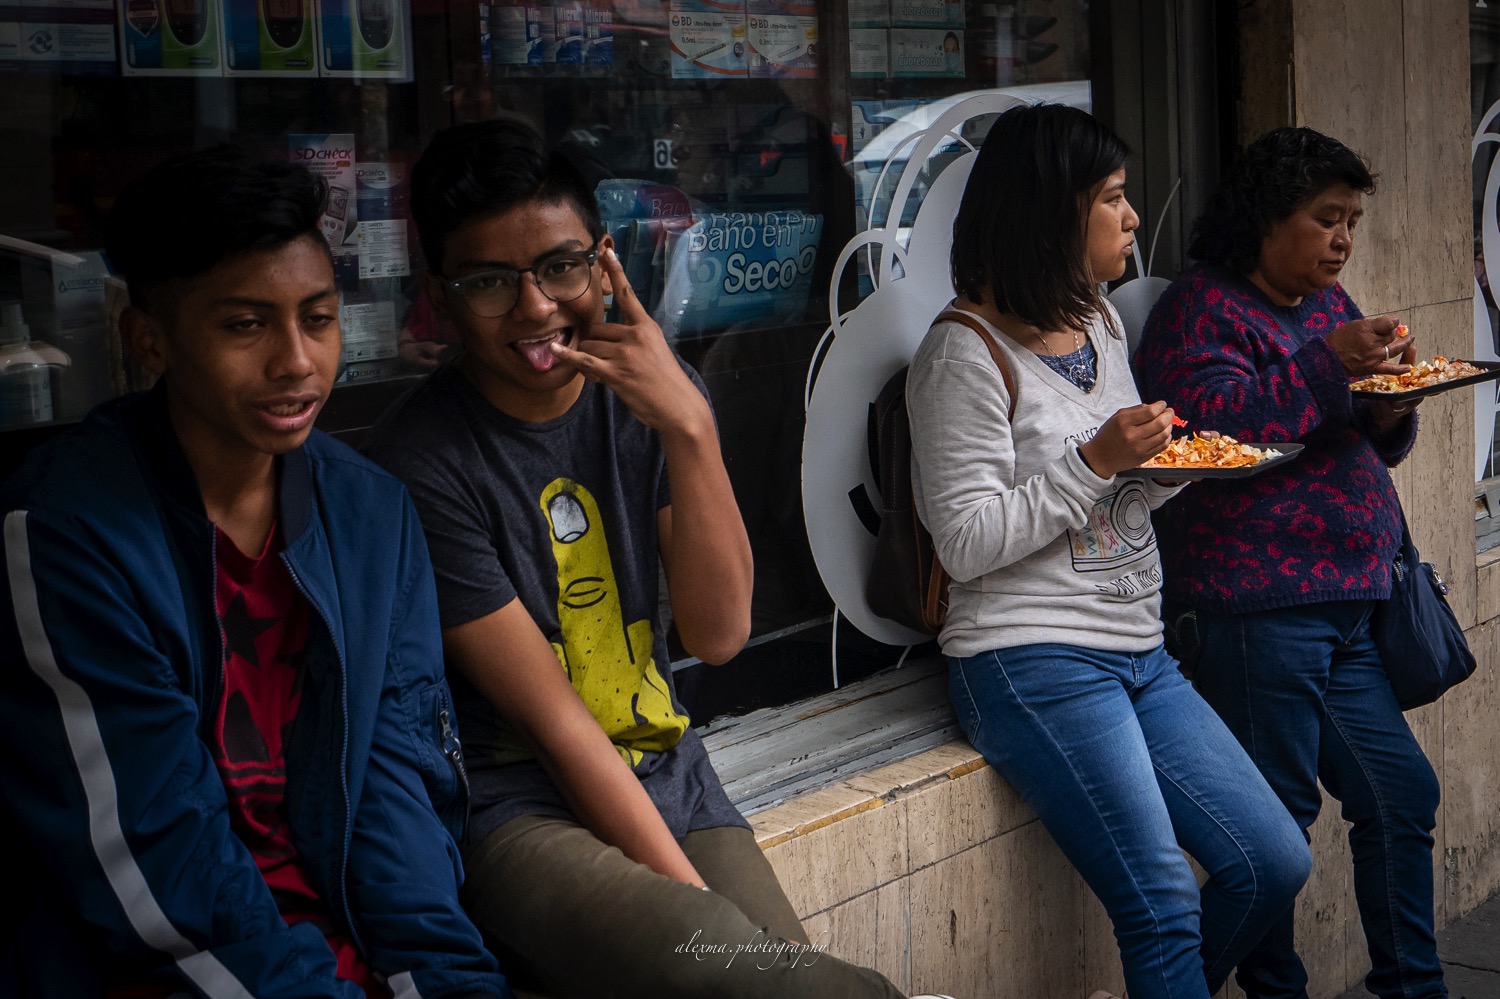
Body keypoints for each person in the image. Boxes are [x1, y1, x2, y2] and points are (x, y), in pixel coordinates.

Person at [363, 117, 947, 999]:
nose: (535, 307)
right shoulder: (424, 460)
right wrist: (701, 915)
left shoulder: (651, 395)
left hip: (668, 768)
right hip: (517, 806)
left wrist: (691, 428)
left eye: (561, 266)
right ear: (441, 297)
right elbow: (558, 729)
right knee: (744, 970)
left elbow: (719, 634)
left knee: (768, 971)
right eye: (489, 281)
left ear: (605, 263)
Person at [0, 147, 509, 997]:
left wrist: (448, 981)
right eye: (245, 325)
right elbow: (155, 862)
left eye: (319, 318)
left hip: (340, 950)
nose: (297, 361)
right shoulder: (66, 534)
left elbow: (397, 794)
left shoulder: (369, 514)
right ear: (149, 339)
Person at [905, 103, 1311, 999]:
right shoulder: (962, 356)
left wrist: (1174, 466)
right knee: (1161, 901)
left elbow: (1120, 489)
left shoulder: (1097, 321)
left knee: (1272, 859)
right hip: (1030, 658)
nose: (1132, 218)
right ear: (1054, 212)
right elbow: (965, 542)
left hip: (1140, 651)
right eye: (1114, 198)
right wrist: (1096, 460)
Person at [1135, 126, 1442, 999]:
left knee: (1400, 793)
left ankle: (1414, 988)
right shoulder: (1200, 309)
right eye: (1326, 218)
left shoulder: (1328, 306)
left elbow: (1358, 433)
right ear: (1268, 218)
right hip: (1255, 609)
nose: (1343, 240)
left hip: (1351, 605)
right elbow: (1209, 432)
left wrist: (1392, 409)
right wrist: (1328, 364)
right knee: (1277, 829)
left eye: (1352, 222)